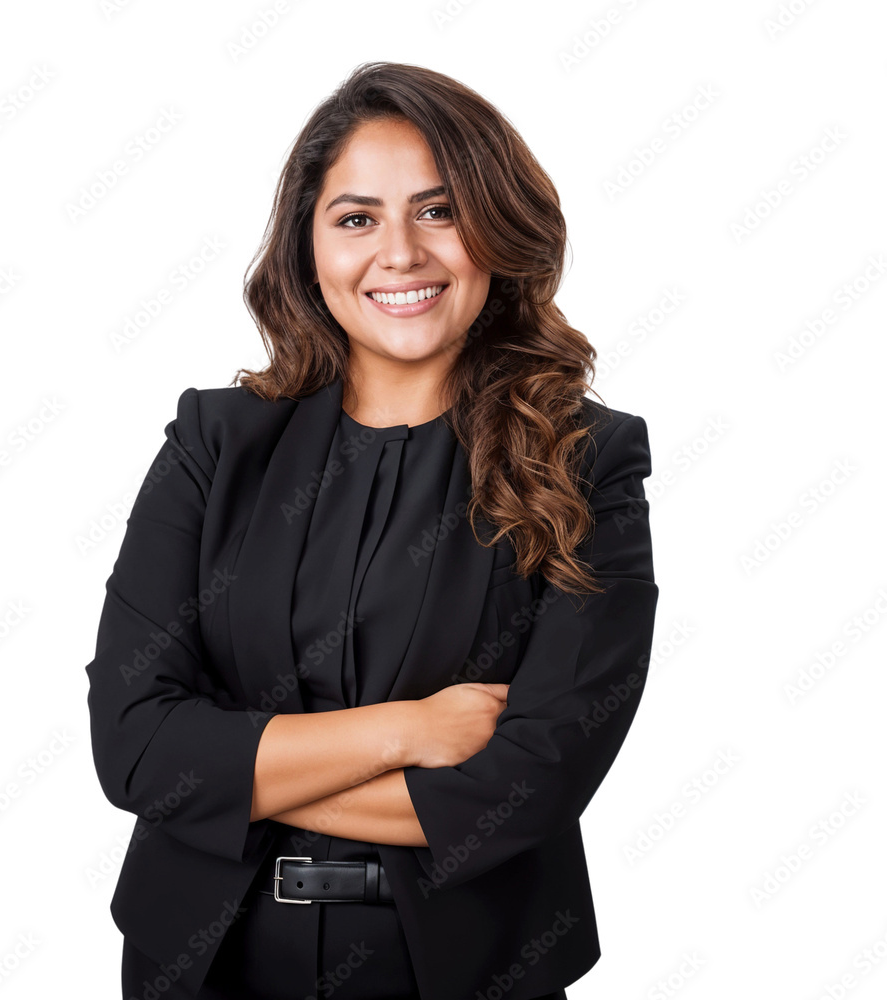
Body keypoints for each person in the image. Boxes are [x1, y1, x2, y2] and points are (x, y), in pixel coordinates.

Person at [85, 61, 659, 1000]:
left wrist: (232, 771)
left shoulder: (588, 460)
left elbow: (532, 786)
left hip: (467, 972)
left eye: (438, 211)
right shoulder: (212, 444)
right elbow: (135, 747)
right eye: (357, 219)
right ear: (309, 250)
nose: (400, 253)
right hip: (199, 963)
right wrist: (413, 731)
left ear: (497, 232)